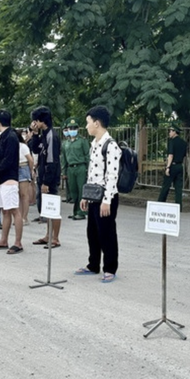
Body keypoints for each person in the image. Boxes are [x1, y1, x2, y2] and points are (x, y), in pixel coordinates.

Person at [74, 105, 123, 282]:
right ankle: (93, 265)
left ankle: (110, 268)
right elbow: (91, 172)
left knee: (107, 232)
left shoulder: (111, 146)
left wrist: (107, 200)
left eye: (88, 123)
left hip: (106, 197)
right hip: (93, 195)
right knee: (92, 232)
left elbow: (112, 175)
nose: (86, 126)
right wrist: (85, 196)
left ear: (96, 123)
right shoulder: (94, 144)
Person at [0, 110, 24, 254]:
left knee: (14, 210)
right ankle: (3, 240)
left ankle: (18, 242)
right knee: (4, 210)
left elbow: (8, 160)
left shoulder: (11, 137)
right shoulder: (3, 137)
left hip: (9, 178)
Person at [31, 106, 62, 248]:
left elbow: (52, 161)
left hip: (49, 178)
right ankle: (48, 235)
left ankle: (55, 238)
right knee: (47, 208)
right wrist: (35, 134)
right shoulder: (44, 134)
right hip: (42, 175)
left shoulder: (52, 136)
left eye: (35, 121)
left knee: (53, 207)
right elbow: (36, 149)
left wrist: (46, 182)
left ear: (41, 120)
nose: (34, 123)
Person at [61, 118, 90, 220]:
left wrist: (88, 169)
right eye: (70, 128)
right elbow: (63, 158)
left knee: (81, 190)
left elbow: (87, 155)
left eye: (74, 128)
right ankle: (75, 211)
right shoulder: (65, 143)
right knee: (73, 191)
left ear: (77, 129)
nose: (72, 129)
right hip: (70, 168)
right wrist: (64, 172)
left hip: (80, 167)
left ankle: (81, 212)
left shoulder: (82, 141)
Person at [157, 123, 188, 209]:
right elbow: (184, 155)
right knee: (178, 188)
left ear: (175, 132)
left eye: (170, 131)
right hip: (180, 166)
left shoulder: (172, 142)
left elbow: (170, 155)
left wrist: (167, 167)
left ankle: (160, 204)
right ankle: (179, 206)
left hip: (172, 166)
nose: (169, 133)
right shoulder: (184, 143)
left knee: (166, 186)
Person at [18, 130, 35, 224]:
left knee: (24, 194)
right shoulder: (11, 146)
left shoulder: (23, 146)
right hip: (14, 168)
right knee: (18, 195)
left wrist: (31, 170)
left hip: (23, 167)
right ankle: (19, 216)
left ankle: (25, 217)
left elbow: (30, 160)